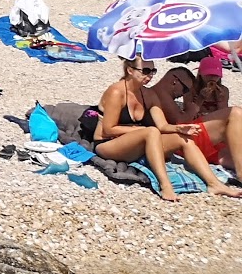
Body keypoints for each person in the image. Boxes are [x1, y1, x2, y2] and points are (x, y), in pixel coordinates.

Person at [93, 57, 242, 204]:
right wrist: (140, 130)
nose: (149, 75)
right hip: (107, 144)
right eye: (145, 71)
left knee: (183, 139)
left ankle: (214, 184)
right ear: (130, 70)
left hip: (134, 141)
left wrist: (180, 128)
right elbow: (108, 129)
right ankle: (166, 185)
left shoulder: (148, 95)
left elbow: (162, 126)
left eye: (153, 71)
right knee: (151, 132)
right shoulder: (116, 92)